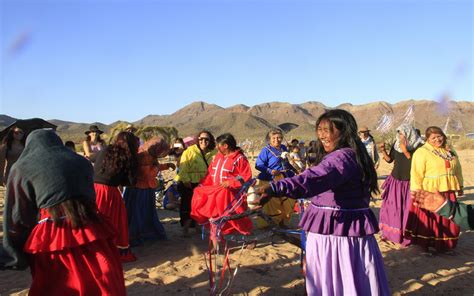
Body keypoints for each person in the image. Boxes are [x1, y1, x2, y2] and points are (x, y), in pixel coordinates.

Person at [256, 109, 390, 295]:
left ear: (343, 131)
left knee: (337, 280)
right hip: (340, 228)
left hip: (338, 232)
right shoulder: (351, 154)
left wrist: (276, 188)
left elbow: (315, 178)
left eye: (327, 130)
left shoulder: (342, 157)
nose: (322, 135)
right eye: (319, 129)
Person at [1, 130, 125, 295]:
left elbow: (17, 214)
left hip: (54, 233)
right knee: (101, 278)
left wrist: (14, 254)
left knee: (59, 283)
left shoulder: (22, 167)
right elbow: (90, 196)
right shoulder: (81, 161)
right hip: (92, 228)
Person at [405, 126, 464, 253]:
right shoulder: (422, 152)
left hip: (448, 190)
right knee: (432, 220)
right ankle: (428, 246)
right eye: (433, 138)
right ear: (427, 139)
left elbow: (457, 168)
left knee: (449, 219)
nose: (437, 140)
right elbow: (416, 173)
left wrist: (460, 185)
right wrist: (416, 192)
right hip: (431, 192)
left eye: (439, 136)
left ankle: (446, 245)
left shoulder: (450, 151)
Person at [191, 133, 253, 244]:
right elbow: (210, 174)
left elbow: (246, 176)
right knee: (214, 216)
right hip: (216, 192)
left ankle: (248, 237)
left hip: (232, 195)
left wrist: (230, 182)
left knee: (237, 217)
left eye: (218, 145)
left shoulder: (239, 159)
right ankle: (217, 239)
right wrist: (203, 185)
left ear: (225, 145)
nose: (216, 147)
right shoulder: (217, 158)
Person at [94, 131, 139, 262]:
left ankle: (95, 250)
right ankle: (110, 251)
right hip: (109, 193)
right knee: (113, 222)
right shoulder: (127, 156)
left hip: (92, 190)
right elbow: (130, 182)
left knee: (95, 222)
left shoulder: (105, 150)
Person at [122, 137, 174, 246]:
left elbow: (154, 167)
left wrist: (166, 166)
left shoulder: (150, 155)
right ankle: (137, 235)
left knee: (145, 213)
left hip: (146, 189)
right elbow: (147, 174)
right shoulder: (143, 156)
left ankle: (146, 233)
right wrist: (156, 168)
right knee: (138, 214)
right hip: (139, 190)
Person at [378, 124, 424, 245]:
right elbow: (389, 160)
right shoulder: (397, 144)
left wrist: (405, 149)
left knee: (407, 209)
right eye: (399, 133)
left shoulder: (419, 146)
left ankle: (406, 234)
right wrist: (383, 151)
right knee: (392, 208)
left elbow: (415, 162)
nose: (400, 136)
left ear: (409, 133)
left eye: (402, 133)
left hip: (410, 182)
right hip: (395, 180)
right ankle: (390, 233)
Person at [175, 130, 217, 236]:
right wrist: (186, 180)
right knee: (188, 206)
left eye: (206, 139)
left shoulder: (214, 153)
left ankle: (199, 228)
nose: (203, 141)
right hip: (189, 183)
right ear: (197, 140)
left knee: (201, 206)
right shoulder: (189, 151)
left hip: (205, 184)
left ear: (210, 140)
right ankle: (185, 230)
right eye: (201, 139)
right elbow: (183, 168)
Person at [255, 129, 296, 228]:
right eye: (274, 138)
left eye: (279, 137)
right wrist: (270, 171)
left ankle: (282, 222)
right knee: (273, 203)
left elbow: (287, 163)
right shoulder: (266, 150)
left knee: (287, 200)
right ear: (269, 139)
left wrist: (296, 171)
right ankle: (272, 224)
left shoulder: (283, 148)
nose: (277, 140)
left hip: (283, 178)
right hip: (269, 180)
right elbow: (258, 165)